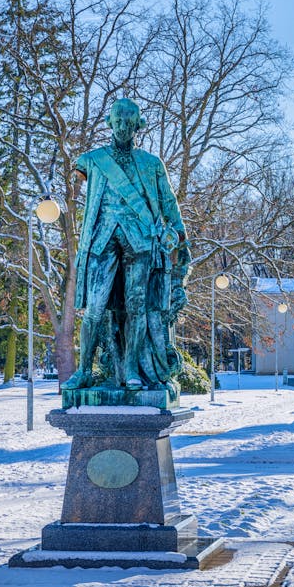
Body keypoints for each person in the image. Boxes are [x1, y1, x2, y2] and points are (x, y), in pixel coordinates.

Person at [63, 98, 190, 392]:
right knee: (94, 308)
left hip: (140, 240)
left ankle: (132, 367)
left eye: (128, 122)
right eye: (117, 121)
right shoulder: (92, 160)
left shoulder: (151, 164)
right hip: (102, 240)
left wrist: (178, 236)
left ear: (137, 126)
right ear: (110, 123)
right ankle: (84, 371)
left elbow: (169, 203)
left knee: (137, 308)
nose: (122, 127)